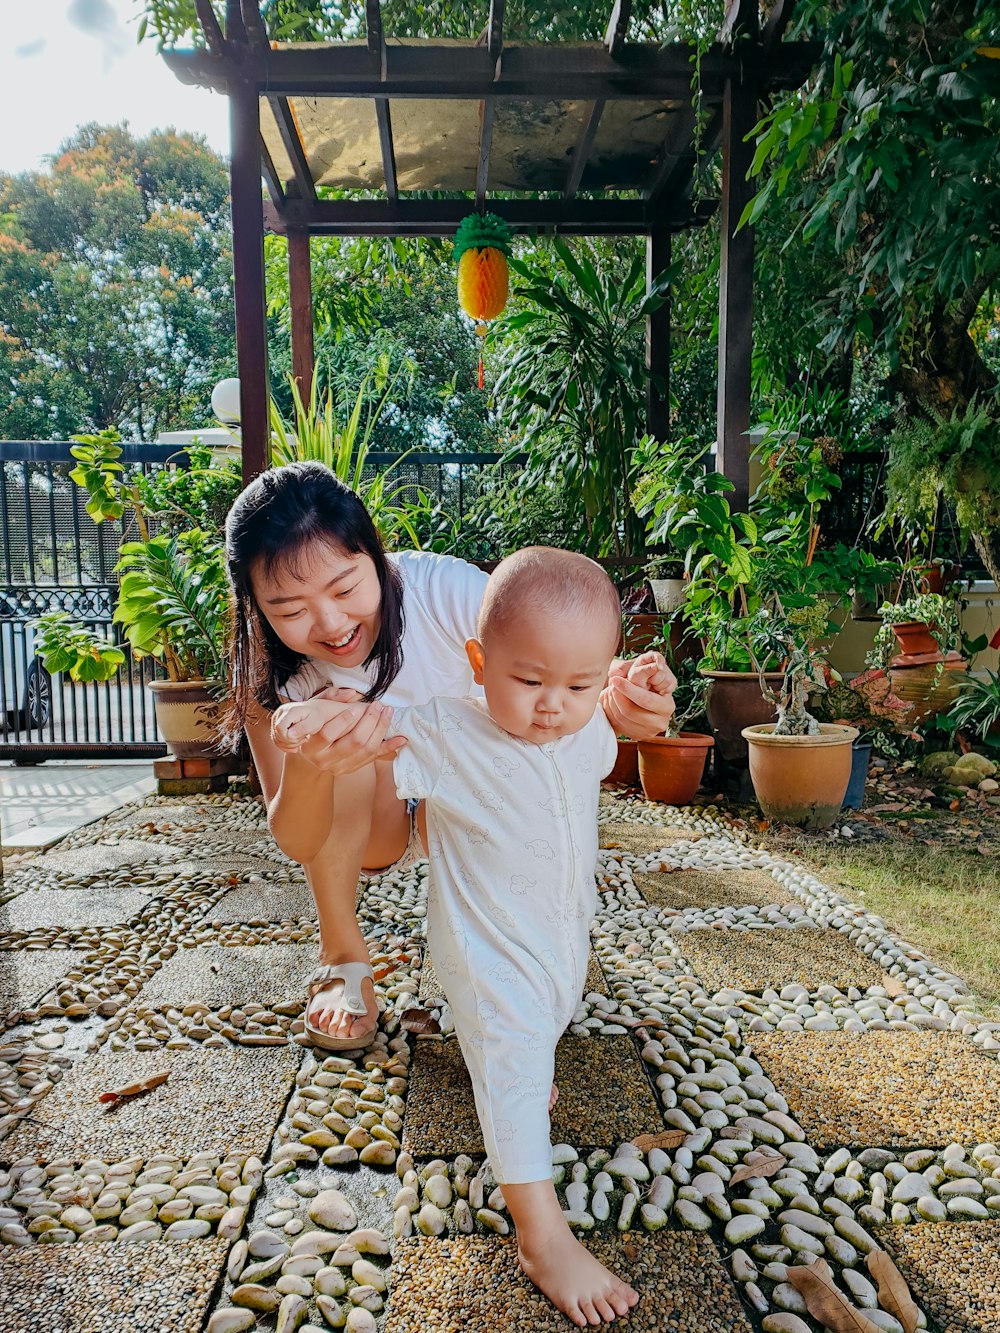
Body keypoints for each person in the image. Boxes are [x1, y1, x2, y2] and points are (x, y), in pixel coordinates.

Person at [272, 547, 643, 1328]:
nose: (551, 704)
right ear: (479, 662)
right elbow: (375, 725)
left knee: (543, 1019)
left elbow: (608, 726)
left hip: (561, 940)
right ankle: (542, 1238)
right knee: (510, 1043)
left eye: (578, 683)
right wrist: (315, 722)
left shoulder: (585, 731)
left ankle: (516, 1061)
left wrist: (627, 697)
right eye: (528, 680)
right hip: (484, 949)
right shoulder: (448, 729)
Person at [224, 461, 676, 1052]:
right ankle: (342, 955)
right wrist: (314, 760)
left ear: (376, 559)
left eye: (344, 588)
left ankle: (528, 953)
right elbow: (296, 836)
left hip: (472, 804)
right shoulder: (267, 673)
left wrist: (625, 688)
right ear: (256, 607)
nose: (331, 624)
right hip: (376, 826)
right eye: (290, 610)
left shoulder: (438, 591)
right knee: (342, 732)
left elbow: (550, 644)